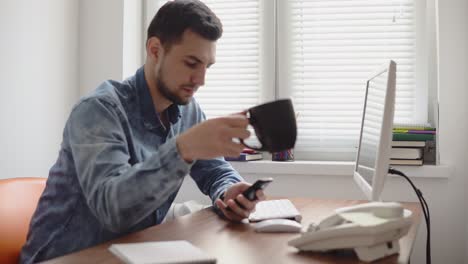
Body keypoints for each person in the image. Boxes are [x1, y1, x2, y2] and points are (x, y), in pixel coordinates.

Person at [20, 1, 265, 263]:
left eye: (207, 66)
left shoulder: (189, 111)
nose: (201, 79)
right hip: (64, 258)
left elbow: (215, 171)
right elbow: (112, 209)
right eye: (191, 63)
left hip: (130, 253)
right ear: (155, 50)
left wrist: (229, 192)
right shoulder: (98, 111)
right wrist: (183, 149)